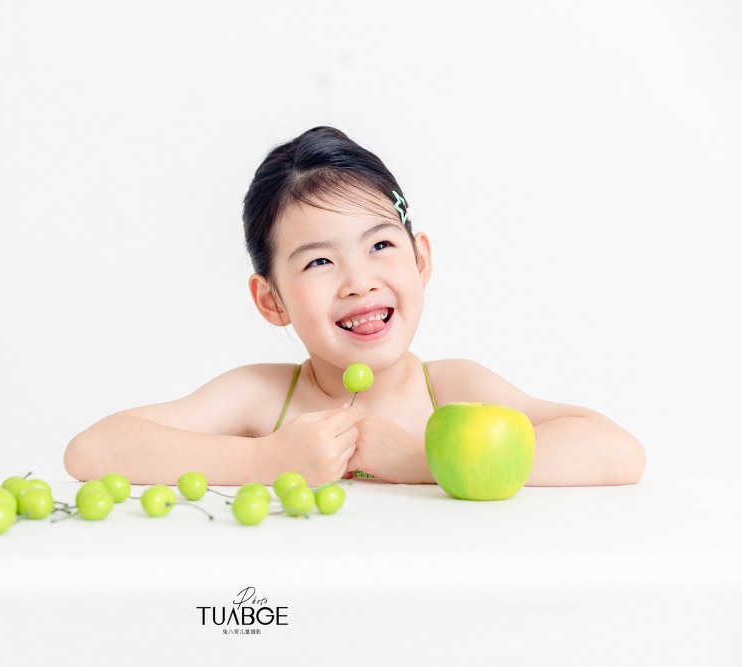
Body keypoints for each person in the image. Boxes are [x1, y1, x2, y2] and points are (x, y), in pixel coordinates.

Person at [64, 126, 645, 487]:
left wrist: (424, 463)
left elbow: (616, 452)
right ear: (272, 300)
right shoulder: (263, 398)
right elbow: (92, 450)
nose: (359, 283)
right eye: (319, 261)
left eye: (380, 246)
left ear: (420, 260)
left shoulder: (453, 391)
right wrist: (266, 461)